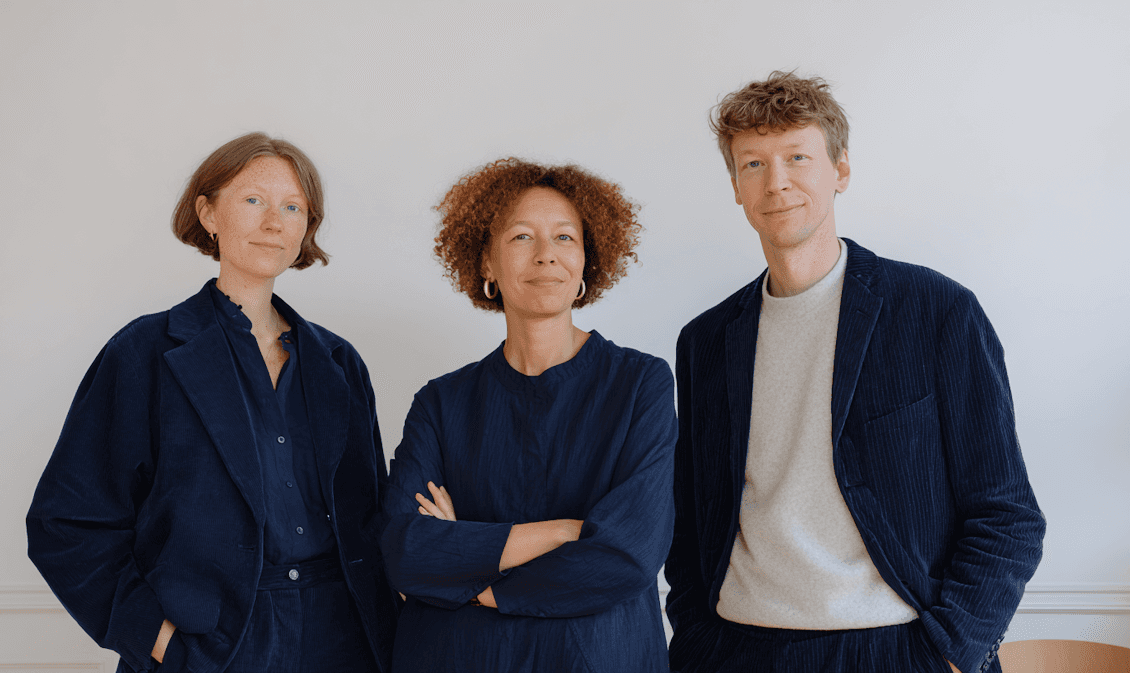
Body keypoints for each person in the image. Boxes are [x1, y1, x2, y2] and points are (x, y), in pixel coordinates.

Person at [665, 72, 1045, 673]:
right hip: (737, 648)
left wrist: (952, 653)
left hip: (898, 648)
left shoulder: (936, 310)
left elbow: (1006, 512)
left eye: (797, 157)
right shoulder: (705, 342)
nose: (778, 181)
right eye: (753, 164)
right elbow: (690, 516)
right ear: (735, 186)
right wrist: (695, 636)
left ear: (840, 169)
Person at [27, 133, 397, 673]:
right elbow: (67, 522)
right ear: (208, 213)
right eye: (254, 200)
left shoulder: (339, 362)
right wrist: (159, 640)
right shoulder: (145, 353)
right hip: (210, 643)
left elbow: (370, 516)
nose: (275, 221)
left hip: (344, 637)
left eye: (293, 207)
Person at [380, 158, 677, 672]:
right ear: (487, 264)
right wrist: (566, 532)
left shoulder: (640, 385)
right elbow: (406, 551)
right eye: (521, 237)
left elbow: (626, 555)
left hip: (598, 659)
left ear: (587, 261)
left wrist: (475, 582)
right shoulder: (441, 402)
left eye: (565, 238)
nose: (546, 256)